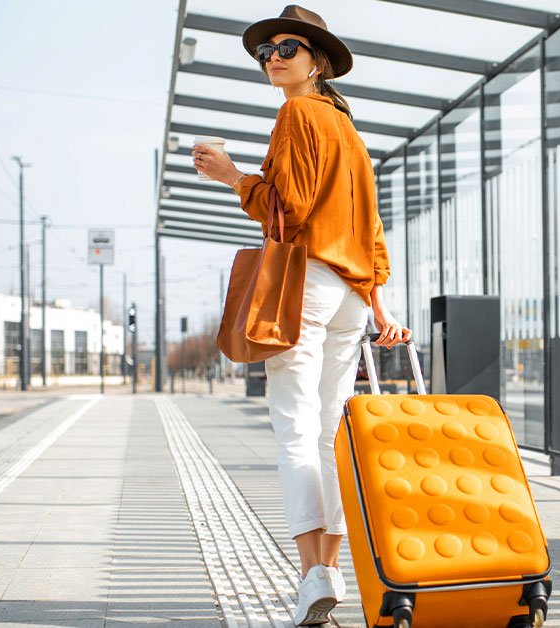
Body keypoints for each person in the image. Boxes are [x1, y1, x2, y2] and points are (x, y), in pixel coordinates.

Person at [192, 5, 411, 625]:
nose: (274, 58)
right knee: (328, 433)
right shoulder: (351, 133)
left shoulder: (297, 113)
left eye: (287, 47)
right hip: (348, 296)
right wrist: (379, 306)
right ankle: (330, 572)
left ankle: (313, 575)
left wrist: (234, 176)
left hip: (308, 283)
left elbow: (286, 211)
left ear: (317, 62)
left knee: (294, 430)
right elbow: (370, 231)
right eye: (267, 52)